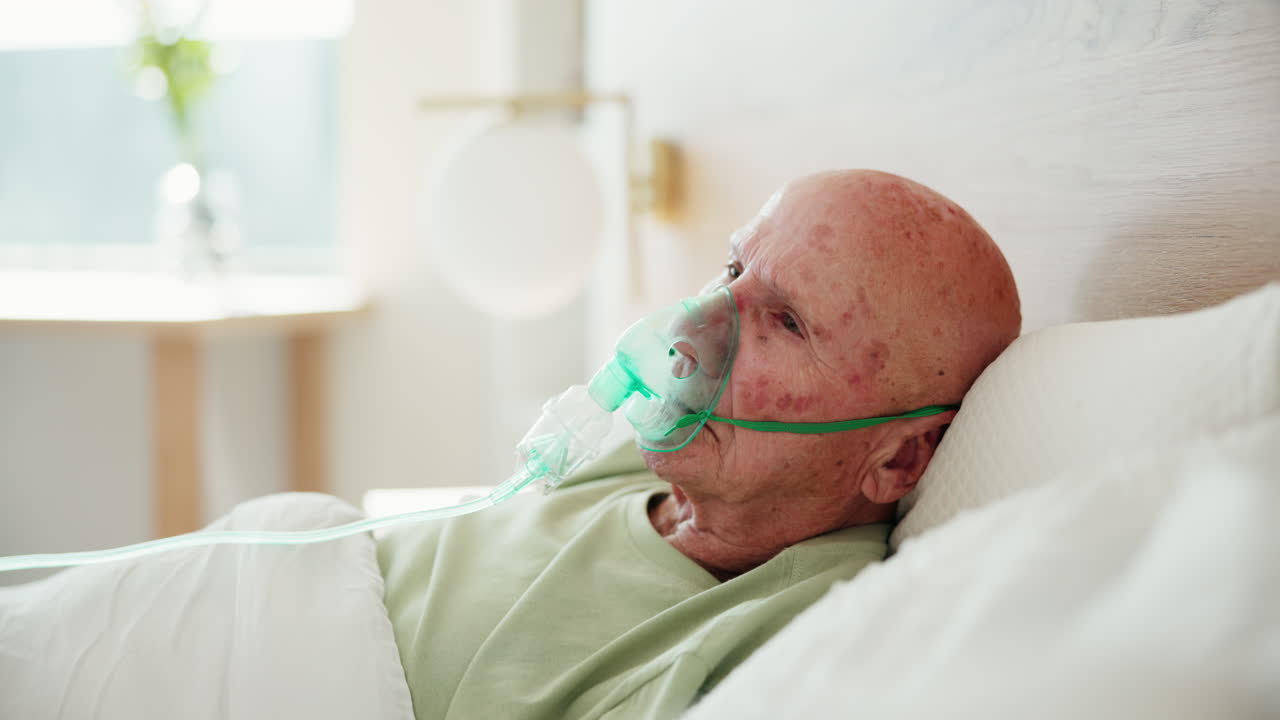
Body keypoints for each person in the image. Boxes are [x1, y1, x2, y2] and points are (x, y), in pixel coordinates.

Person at [377, 169, 1022, 720]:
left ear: (899, 457)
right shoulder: (674, 465)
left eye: (787, 322)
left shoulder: (772, 655)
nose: (688, 327)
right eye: (733, 270)